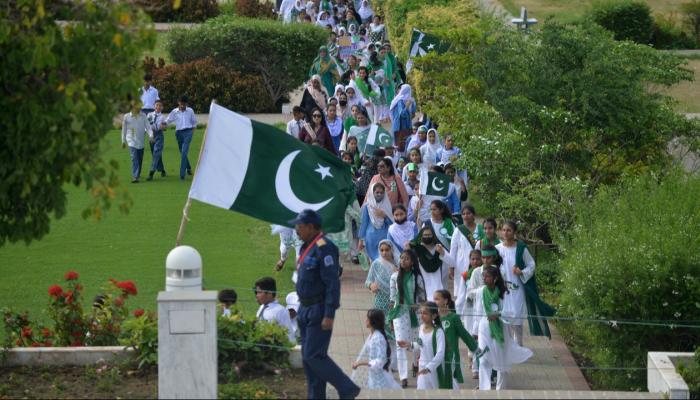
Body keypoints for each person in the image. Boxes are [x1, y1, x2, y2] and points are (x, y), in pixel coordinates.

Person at [290, 209, 361, 399]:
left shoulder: (324, 247)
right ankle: (316, 395)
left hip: (318, 309)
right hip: (304, 308)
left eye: (300, 226)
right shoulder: (306, 246)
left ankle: (347, 388)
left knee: (314, 355)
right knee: (309, 359)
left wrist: (329, 313)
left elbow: (332, 283)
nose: (296, 230)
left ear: (311, 227)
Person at [474, 265, 533, 390]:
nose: (484, 278)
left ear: (495, 278)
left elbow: (511, 312)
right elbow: (477, 312)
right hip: (484, 327)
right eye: (483, 276)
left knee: (501, 360)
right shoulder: (480, 292)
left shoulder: (504, 292)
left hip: (501, 327)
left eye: (487, 276)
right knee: (484, 358)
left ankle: (500, 391)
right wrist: (475, 330)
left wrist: (498, 314)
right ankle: (484, 389)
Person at [496, 221, 554, 345]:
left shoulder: (521, 248)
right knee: (505, 315)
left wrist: (521, 272)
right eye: (504, 230)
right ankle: (508, 344)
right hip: (503, 288)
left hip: (517, 288)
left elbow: (531, 265)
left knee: (517, 316)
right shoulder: (498, 249)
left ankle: (519, 343)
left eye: (509, 230)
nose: (506, 233)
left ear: (514, 232)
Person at [388, 249, 425, 388]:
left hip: (415, 313)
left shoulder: (417, 277)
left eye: (407, 258)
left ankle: (416, 364)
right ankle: (403, 376)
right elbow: (392, 299)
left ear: (413, 262)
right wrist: (391, 318)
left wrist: (419, 305)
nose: (403, 260)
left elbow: (423, 297)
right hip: (399, 313)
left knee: (416, 342)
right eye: (402, 258)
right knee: (400, 343)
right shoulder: (394, 277)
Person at [434, 289, 478, 389]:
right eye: (434, 299)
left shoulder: (453, 318)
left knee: (450, 384)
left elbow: (464, 335)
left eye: (437, 299)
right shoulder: (433, 318)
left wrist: (475, 349)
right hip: (435, 356)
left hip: (450, 357)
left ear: (445, 301)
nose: (434, 301)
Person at [397, 301, 446, 390]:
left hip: (434, 370)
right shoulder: (421, 328)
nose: (422, 316)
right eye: (421, 313)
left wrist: (429, 368)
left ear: (434, 316)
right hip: (422, 367)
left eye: (425, 313)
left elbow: (440, 354)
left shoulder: (438, 332)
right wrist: (409, 344)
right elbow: (421, 345)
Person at [351, 309, 402, 389]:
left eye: (368, 319)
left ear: (373, 322)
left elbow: (380, 361)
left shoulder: (378, 338)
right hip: (373, 377)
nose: (366, 320)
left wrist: (360, 363)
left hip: (380, 380)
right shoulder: (372, 334)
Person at [409, 225, 455, 299]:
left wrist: (443, 253)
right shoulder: (417, 249)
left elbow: (452, 263)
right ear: (421, 236)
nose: (427, 237)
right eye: (425, 235)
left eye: (429, 235)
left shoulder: (439, 248)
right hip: (422, 287)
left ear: (433, 236)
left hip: (440, 286)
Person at [461, 249, 485, 379]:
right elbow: (462, 294)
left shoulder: (484, 273)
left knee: (479, 336)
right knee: (471, 334)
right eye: (473, 259)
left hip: (482, 310)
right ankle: (471, 357)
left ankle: (477, 365)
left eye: (477, 259)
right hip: (469, 309)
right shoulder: (466, 274)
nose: (475, 261)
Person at [164, 95, 197, 180]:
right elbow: (168, 120)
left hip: (188, 132)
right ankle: (189, 168)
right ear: (178, 103)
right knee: (182, 152)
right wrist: (163, 124)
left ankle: (182, 174)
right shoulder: (174, 111)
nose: (182, 106)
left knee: (184, 152)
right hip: (178, 133)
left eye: (184, 104)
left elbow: (194, 122)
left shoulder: (190, 111)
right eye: (181, 104)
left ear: (186, 104)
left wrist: (192, 132)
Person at [255, 277, 297, 344]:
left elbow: (290, 336)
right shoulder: (261, 308)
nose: (257, 295)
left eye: (260, 292)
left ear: (270, 294)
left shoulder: (280, 311)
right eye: (256, 292)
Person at [358, 182, 393, 261]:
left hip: (384, 237)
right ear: (372, 193)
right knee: (373, 262)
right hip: (371, 238)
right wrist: (360, 240)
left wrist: (385, 216)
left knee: (385, 260)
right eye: (377, 192)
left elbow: (392, 224)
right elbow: (364, 223)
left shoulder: (387, 205)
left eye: (381, 192)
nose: (379, 194)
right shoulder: (367, 206)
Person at [449, 206, 478, 297]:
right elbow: (453, 249)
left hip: (477, 263)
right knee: (461, 291)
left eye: (468, 213)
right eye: (464, 214)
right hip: (461, 265)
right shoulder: (458, 230)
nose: (466, 216)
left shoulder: (480, 229)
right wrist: (451, 266)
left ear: (473, 215)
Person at [121, 101, 153, 183]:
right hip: (131, 140)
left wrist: (151, 136)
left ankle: (137, 173)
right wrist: (123, 141)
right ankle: (135, 176)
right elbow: (124, 130)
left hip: (141, 140)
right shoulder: (126, 117)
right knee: (134, 157)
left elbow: (148, 127)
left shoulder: (143, 116)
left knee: (139, 159)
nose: (139, 108)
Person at [390, 84, 416, 153]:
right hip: (400, 127)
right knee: (400, 147)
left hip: (407, 126)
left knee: (407, 145)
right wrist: (407, 106)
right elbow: (402, 114)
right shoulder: (399, 101)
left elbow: (413, 114)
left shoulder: (411, 100)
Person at [146, 100, 166, 180]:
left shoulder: (162, 117)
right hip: (151, 136)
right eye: (157, 105)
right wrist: (149, 135)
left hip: (159, 136)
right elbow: (146, 125)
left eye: (160, 106)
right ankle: (162, 170)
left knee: (156, 153)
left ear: (162, 107)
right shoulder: (149, 115)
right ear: (154, 106)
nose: (158, 107)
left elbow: (163, 126)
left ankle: (151, 172)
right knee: (156, 154)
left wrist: (163, 127)